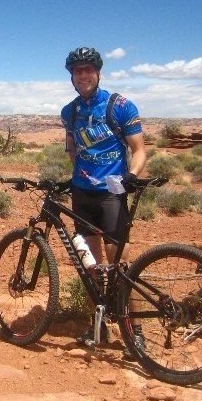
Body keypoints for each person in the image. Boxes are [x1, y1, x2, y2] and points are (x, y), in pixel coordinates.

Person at [60, 47, 147, 356]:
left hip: (112, 192)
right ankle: (98, 326)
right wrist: (75, 175)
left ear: (97, 72)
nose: (83, 75)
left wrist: (132, 175)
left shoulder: (119, 106)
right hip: (82, 192)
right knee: (91, 263)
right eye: (77, 71)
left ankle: (135, 332)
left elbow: (139, 149)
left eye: (88, 70)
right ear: (71, 76)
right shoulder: (69, 112)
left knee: (120, 263)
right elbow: (73, 150)